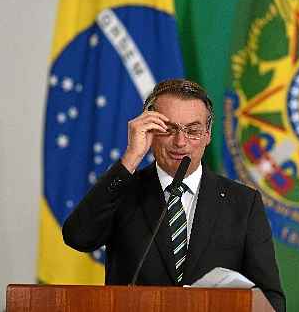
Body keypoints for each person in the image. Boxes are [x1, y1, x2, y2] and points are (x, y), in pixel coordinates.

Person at [62, 79, 286, 311]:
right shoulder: (124, 189)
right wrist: (131, 157)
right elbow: (78, 237)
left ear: (208, 135)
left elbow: (271, 299)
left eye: (193, 131)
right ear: (149, 130)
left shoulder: (243, 202)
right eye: (169, 129)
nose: (180, 142)